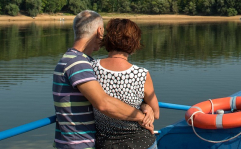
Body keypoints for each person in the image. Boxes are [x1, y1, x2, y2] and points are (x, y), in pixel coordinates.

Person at [53, 11, 154, 149]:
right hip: (79, 145)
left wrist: (144, 104)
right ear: (99, 31)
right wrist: (142, 117)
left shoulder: (77, 61)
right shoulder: (78, 63)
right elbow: (104, 104)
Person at [92, 18, 160, 149]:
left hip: (107, 143)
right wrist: (147, 106)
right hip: (143, 142)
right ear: (134, 43)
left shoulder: (91, 68)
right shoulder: (141, 74)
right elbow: (156, 114)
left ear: (108, 39)